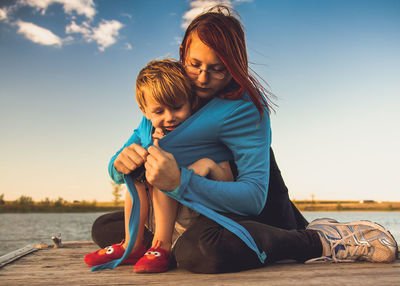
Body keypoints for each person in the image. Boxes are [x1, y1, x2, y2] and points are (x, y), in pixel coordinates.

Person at [90, 5, 398, 273]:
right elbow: (123, 159)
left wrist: (179, 182)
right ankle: (164, 245)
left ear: (234, 67)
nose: (202, 78)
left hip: (260, 212)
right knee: (105, 228)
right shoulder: (171, 98)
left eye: (218, 69)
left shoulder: (245, 109)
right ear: (183, 52)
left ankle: (318, 240)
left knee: (200, 252)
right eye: (195, 64)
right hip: (198, 207)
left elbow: (253, 197)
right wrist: (121, 165)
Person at [84, 59, 234, 273]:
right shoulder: (145, 129)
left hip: (194, 213)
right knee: (106, 220)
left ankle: (161, 246)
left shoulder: (203, 131)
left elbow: (227, 179)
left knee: (162, 170)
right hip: (155, 216)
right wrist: (120, 164)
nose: (169, 117)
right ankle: (132, 244)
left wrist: (207, 165)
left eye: (177, 108)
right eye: (159, 111)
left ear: (191, 101)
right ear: (145, 111)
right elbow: (115, 172)